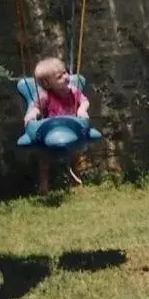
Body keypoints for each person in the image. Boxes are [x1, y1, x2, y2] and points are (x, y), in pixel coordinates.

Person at [24, 57, 91, 195]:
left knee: (75, 156)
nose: (66, 77)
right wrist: (32, 114)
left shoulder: (73, 91)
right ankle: (43, 186)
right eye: (60, 76)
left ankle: (76, 181)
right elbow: (37, 108)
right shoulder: (45, 96)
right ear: (47, 83)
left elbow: (85, 101)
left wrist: (82, 109)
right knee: (44, 159)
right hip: (51, 132)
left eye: (65, 72)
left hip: (71, 129)